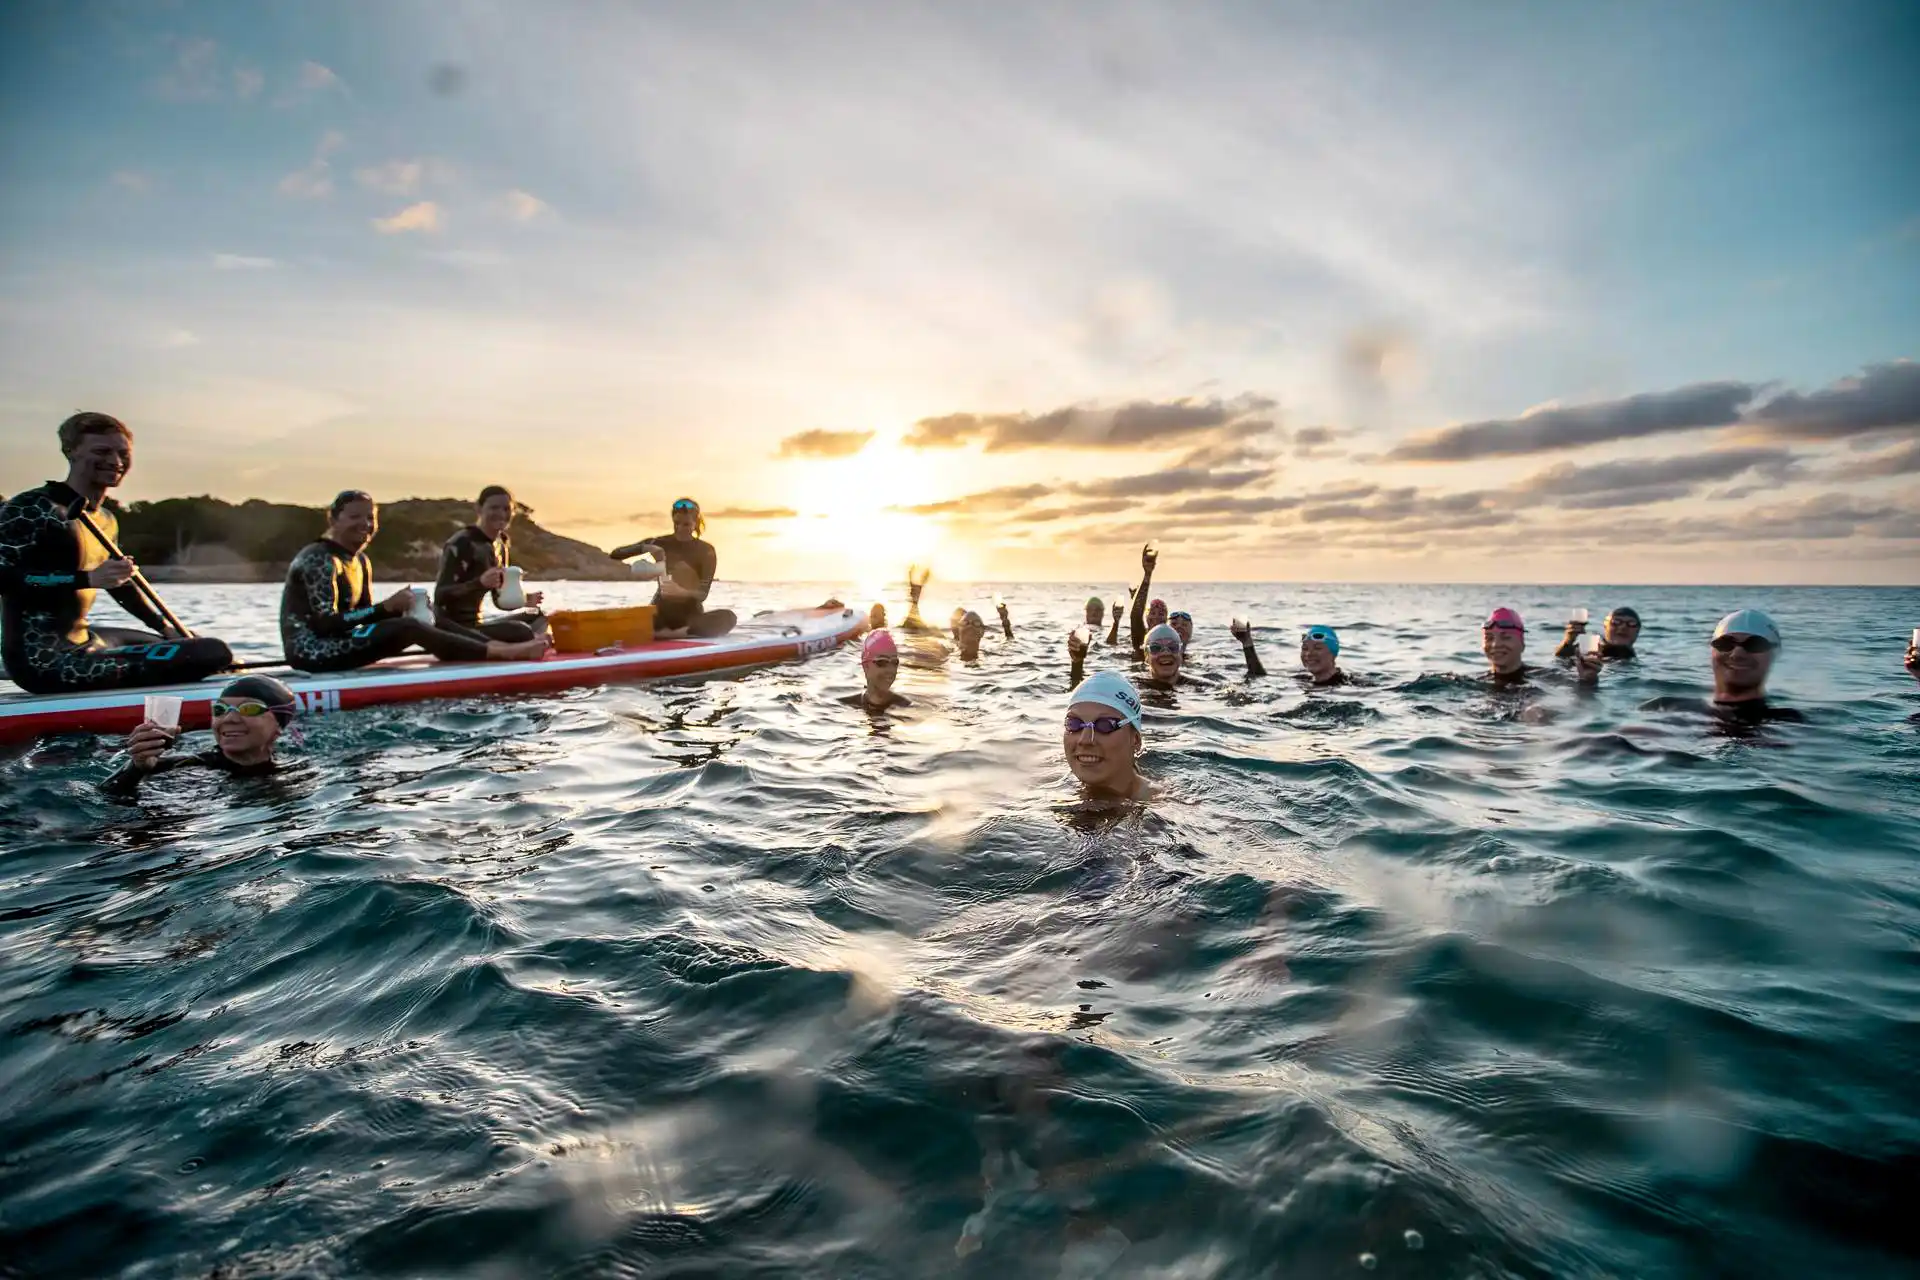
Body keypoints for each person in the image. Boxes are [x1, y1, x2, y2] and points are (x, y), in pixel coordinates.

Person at [0, 412, 233, 694]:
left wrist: (163, 627)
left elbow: (119, 585)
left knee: (185, 645)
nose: (115, 461)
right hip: (44, 663)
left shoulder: (106, 518)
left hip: (84, 639)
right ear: (70, 451)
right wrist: (84, 579)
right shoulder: (31, 509)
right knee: (212, 652)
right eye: (102, 451)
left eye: (123, 452)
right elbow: (5, 578)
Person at [281, 490, 549, 672]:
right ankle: (502, 653)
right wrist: (386, 609)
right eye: (354, 517)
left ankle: (494, 648)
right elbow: (325, 624)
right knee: (410, 626)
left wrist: (397, 609)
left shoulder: (360, 561)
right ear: (333, 518)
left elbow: (360, 617)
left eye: (370, 518)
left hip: (341, 642)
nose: (365, 524)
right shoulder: (319, 558)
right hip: (312, 651)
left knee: (424, 616)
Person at [102, 675, 297, 796]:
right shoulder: (184, 766)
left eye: (249, 708)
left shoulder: (297, 772)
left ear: (279, 725)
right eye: (219, 709)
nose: (229, 718)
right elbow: (105, 797)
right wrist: (136, 768)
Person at [1642, 609, 1805, 726]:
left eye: (1755, 645)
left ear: (1774, 654)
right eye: (1725, 643)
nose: (1737, 654)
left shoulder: (1787, 722)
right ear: (1712, 650)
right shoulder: (1662, 706)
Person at [609, 498, 735, 639]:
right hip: (660, 613)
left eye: (686, 524)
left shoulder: (706, 551)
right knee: (622, 618)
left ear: (695, 523)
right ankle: (676, 633)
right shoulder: (660, 542)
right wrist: (645, 547)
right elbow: (615, 554)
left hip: (690, 616)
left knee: (729, 617)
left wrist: (682, 592)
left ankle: (669, 634)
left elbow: (702, 594)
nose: (681, 528)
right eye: (677, 524)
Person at [434, 485, 546, 642]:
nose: (501, 514)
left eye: (507, 509)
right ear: (479, 509)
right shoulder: (462, 542)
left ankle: (529, 648)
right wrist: (479, 583)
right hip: (451, 629)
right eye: (494, 508)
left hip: (476, 626)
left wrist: (523, 600)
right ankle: (523, 648)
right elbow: (440, 596)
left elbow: (499, 600)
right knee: (521, 631)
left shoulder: (501, 544)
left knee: (539, 618)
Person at [1063, 670, 1153, 801]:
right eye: (1074, 724)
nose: (1085, 740)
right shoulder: (1046, 789)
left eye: (1105, 725)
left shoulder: (1165, 810)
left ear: (1135, 740)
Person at [1234, 622, 1350, 685]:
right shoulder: (1303, 680)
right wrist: (1247, 642)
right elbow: (1258, 677)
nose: (1309, 654)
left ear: (1333, 654)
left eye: (1318, 648)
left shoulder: (1346, 685)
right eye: (1304, 648)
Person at [839, 628, 910, 712]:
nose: (890, 670)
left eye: (895, 662)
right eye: (882, 662)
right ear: (866, 667)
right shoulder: (844, 707)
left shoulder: (906, 707)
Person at [1556, 606, 1640, 661]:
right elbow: (1560, 660)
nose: (1623, 627)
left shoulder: (1643, 657)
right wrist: (1568, 642)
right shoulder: (1589, 651)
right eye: (1616, 622)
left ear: (1638, 630)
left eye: (1631, 623)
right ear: (1605, 626)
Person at [1142, 622, 1185, 687]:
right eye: (1156, 648)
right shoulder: (1132, 685)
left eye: (1173, 647)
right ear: (1146, 656)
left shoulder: (1200, 687)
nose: (1165, 653)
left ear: (1181, 654)